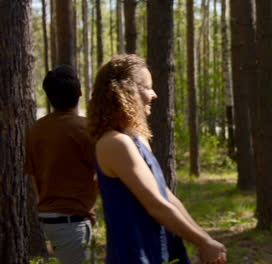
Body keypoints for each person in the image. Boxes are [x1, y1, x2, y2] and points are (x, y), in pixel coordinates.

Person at [87, 54, 227, 264]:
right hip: (135, 255)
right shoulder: (115, 143)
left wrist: (205, 239)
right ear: (125, 91)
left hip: (160, 250)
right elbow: (156, 205)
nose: (154, 94)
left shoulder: (136, 138)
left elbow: (166, 196)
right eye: (147, 87)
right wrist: (204, 242)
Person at [25, 65, 97, 264]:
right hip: (72, 222)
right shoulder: (87, 129)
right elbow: (104, 172)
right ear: (81, 93)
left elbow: (33, 179)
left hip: (48, 220)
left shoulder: (35, 130)